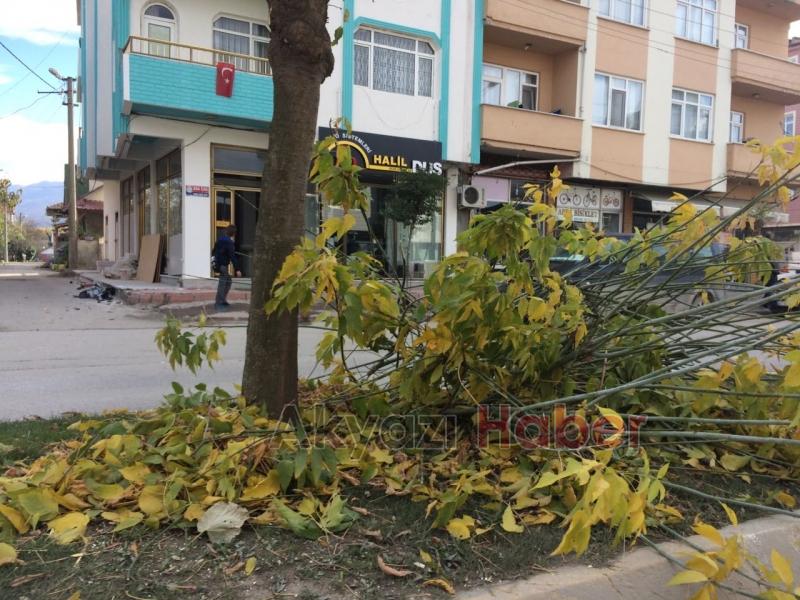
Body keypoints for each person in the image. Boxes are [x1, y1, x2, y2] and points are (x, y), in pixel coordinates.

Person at [213, 225, 241, 310]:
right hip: (222, 265)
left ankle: (222, 300)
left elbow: (214, 251)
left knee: (228, 281)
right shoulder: (229, 242)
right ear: (233, 234)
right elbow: (232, 256)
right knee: (223, 282)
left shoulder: (220, 239)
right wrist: (238, 269)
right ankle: (219, 303)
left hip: (217, 263)